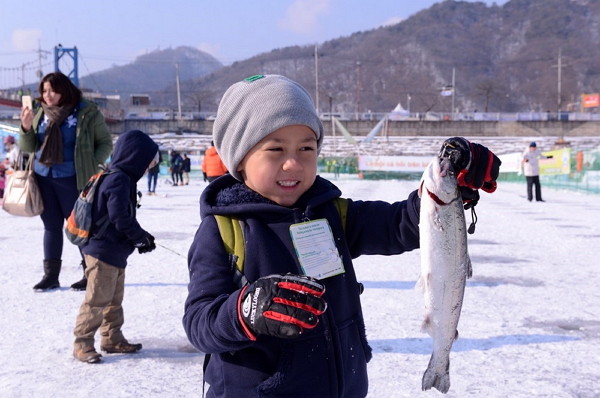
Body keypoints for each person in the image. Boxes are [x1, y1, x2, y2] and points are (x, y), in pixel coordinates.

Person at [182, 75, 501, 397]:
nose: (293, 163)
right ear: (239, 159)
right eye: (275, 149)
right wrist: (244, 310)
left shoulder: (332, 213)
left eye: (306, 148)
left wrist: (452, 188)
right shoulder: (223, 230)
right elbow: (199, 324)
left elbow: (399, 225)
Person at [18, 72, 113, 292]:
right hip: (43, 178)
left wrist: (91, 163)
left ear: (64, 89)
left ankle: (89, 274)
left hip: (73, 179)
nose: (47, 95)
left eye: (52, 90)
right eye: (44, 91)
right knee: (51, 227)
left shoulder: (86, 112)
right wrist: (25, 127)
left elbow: (105, 143)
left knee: (80, 228)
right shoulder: (40, 113)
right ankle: (51, 276)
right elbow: (29, 147)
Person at [73, 129, 159, 364]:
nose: (149, 166)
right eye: (148, 160)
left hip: (114, 252)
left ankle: (112, 338)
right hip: (102, 252)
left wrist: (141, 238)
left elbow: (122, 218)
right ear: (135, 157)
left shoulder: (120, 177)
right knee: (97, 300)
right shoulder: (119, 179)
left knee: (113, 299)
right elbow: (120, 217)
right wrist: (139, 237)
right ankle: (82, 343)